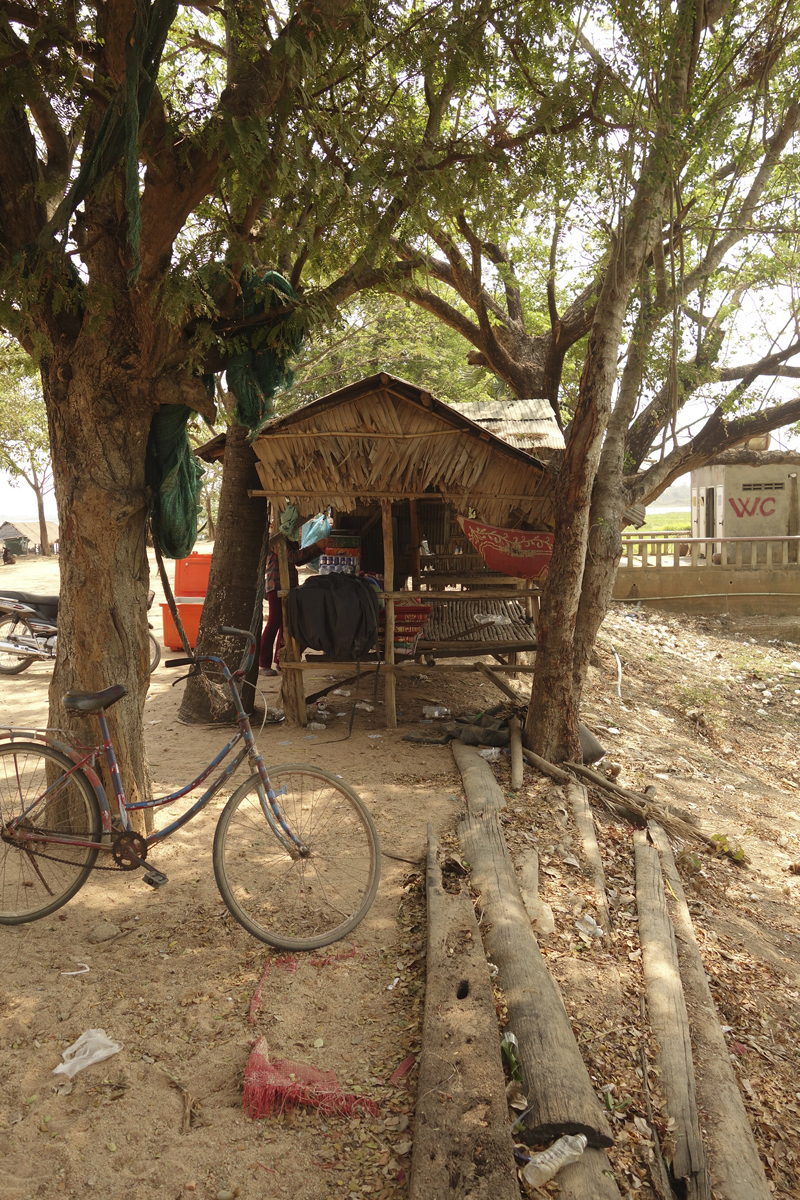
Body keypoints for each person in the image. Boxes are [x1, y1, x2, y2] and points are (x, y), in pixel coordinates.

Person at [259, 538, 326, 675]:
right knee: (273, 623)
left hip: (289, 586)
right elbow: (292, 556)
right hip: (276, 586)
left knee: (285, 624)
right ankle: (263, 664)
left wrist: (319, 550)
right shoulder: (276, 537)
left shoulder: (289, 539)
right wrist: (316, 546)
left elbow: (298, 561)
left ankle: (280, 660)